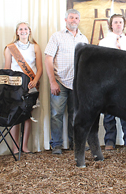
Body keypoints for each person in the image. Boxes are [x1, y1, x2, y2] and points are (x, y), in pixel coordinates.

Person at [44, 9, 88, 155]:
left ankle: (75, 143)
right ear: (65, 20)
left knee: (76, 115)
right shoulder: (57, 36)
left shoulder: (84, 39)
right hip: (60, 81)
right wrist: (52, 82)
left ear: (79, 20)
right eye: (71, 17)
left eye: (76, 18)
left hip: (77, 84)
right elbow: (48, 59)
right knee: (56, 114)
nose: (74, 20)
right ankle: (56, 145)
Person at [99, 14, 126, 150]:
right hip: (109, 81)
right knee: (109, 113)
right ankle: (109, 142)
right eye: (115, 22)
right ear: (111, 24)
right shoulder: (103, 42)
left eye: (120, 22)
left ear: (124, 25)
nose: (118, 24)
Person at [4, 22, 43, 154]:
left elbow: (40, 68)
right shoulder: (10, 48)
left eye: (25, 28)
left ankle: (25, 146)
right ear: (17, 32)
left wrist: (35, 81)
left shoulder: (35, 47)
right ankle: (15, 147)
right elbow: (7, 68)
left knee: (27, 115)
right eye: (20, 29)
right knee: (15, 115)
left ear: (29, 31)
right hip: (15, 86)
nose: (23, 31)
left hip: (30, 85)